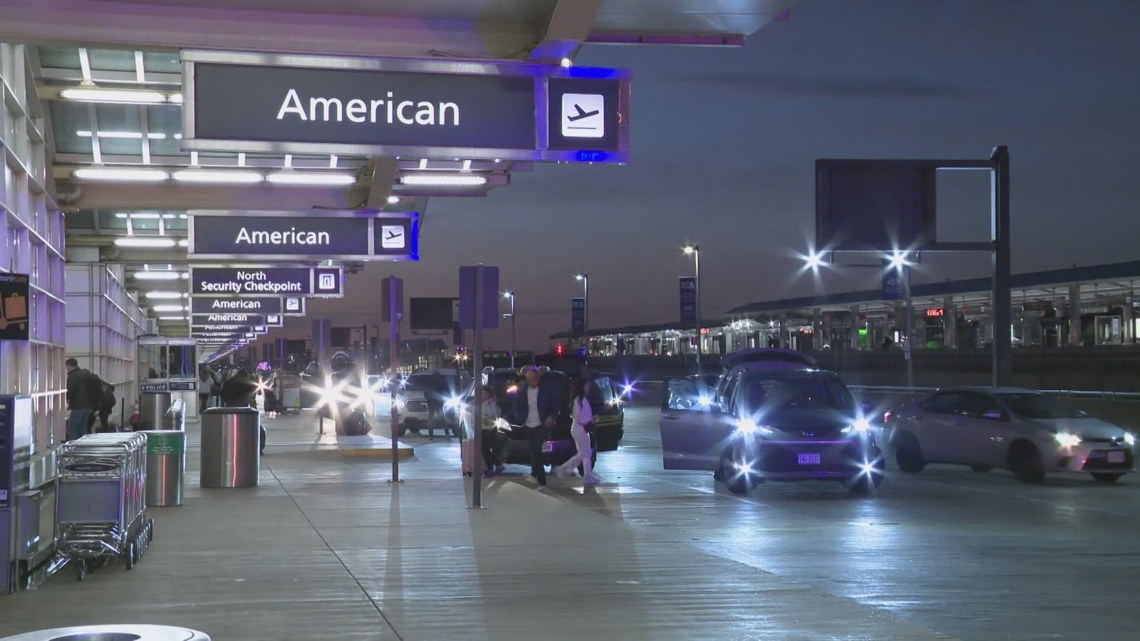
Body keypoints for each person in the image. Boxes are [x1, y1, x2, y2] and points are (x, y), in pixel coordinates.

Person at [511, 368, 560, 491]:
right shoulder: (523, 391)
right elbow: (517, 406)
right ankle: (535, 474)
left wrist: (552, 417)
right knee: (534, 452)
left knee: (537, 452)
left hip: (541, 425)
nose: (531, 382)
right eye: (529, 380)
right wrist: (519, 418)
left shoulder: (546, 390)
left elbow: (555, 405)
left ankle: (542, 482)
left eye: (533, 379)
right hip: (528, 425)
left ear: (538, 378)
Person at [556, 377, 599, 484]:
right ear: (582, 387)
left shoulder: (583, 399)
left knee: (584, 453)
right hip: (580, 428)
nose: (588, 388)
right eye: (587, 386)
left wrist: (591, 419)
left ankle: (564, 469)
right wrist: (590, 420)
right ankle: (586, 475)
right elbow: (578, 416)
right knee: (585, 453)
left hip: (582, 428)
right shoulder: (578, 400)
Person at [477, 386, 506, 477]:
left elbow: (493, 414)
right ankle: (496, 466)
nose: (482, 395)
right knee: (486, 449)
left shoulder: (490, 403)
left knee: (484, 448)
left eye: (484, 393)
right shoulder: (483, 403)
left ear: (488, 394)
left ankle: (491, 468)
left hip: (489, 429)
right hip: (484, 428)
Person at [64, 358, 95, 441]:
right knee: (82, 428)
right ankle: (83, 446)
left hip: (78, 406)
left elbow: (70, 390)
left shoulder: (72, 376)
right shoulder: (85, 374)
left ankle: (75, 448)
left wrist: (66, 399)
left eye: (67, 366)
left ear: (69, 365)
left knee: (72, 428)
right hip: (88, 406)